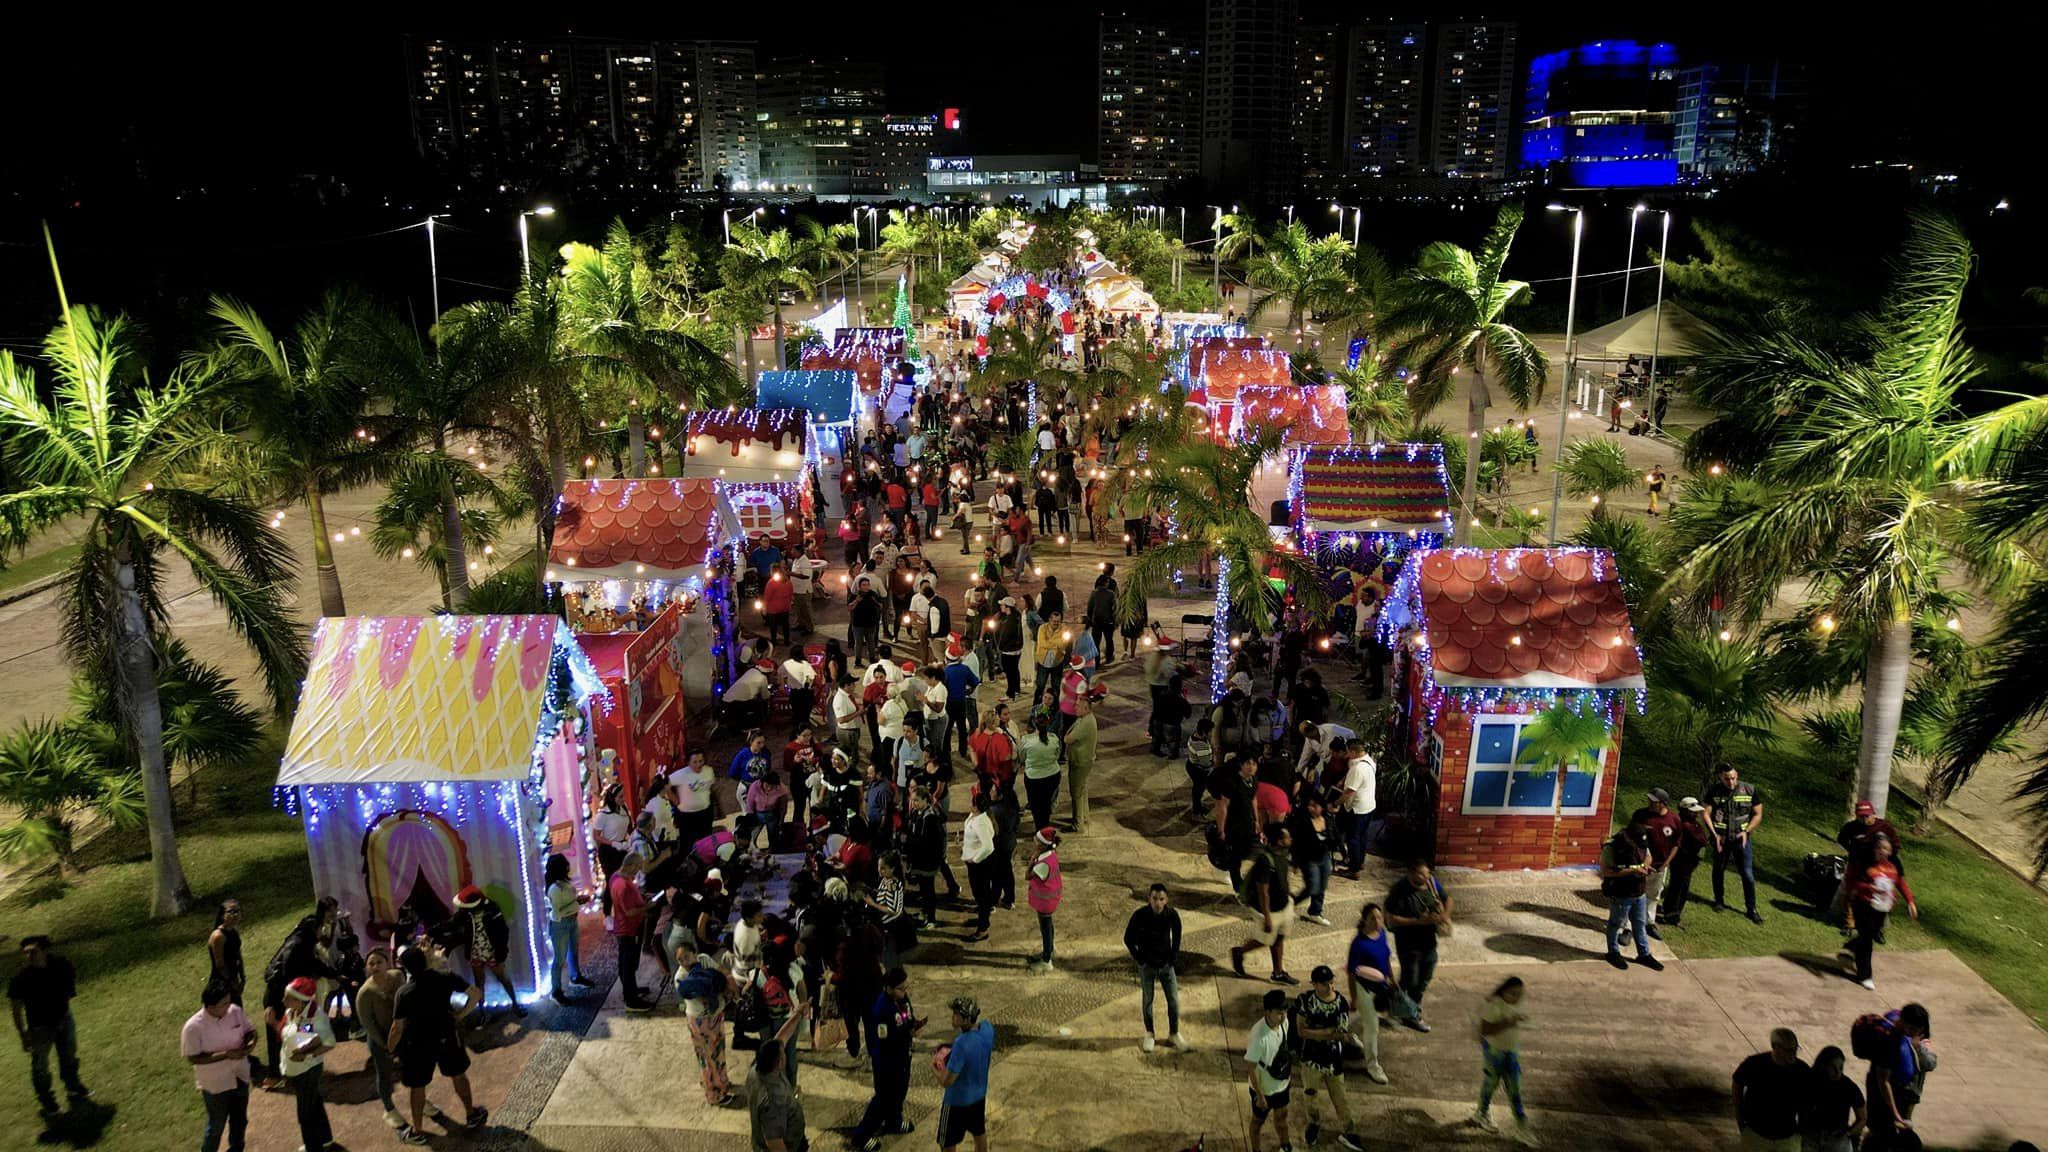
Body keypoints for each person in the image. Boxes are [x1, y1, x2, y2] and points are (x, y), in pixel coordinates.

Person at [390, 946, 485, 1144]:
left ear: (405, 968)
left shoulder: (404, 992)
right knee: (458, 1075)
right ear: (425, 961)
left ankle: (417, 1131)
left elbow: (397, 1027)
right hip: (447, 1035)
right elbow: (475, 994)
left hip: (417, 1043)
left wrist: (389, 1049)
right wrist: (460, 1014)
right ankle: (471, 1113)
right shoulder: (446, 977)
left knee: (418, 1086)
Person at [9, 934, 91, 1116]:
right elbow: (16, 1009)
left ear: (44, 950)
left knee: (69, 1055)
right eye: (26, 953)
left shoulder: (60, 965)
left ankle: (73, 1087)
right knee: (40, 1067)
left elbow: (70, 985)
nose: (29, 956)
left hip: (63, 1018)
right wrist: (23, 1035)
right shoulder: (21, 978)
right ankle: (47, 1101)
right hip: (39, 1028)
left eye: (33, 951)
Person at [1294, 965, 1367, 1151]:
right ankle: (1314, 1123)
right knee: (1310, 1096)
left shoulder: (1340, 1002)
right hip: (1310, 1059)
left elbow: (1340, 1033)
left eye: (1330, 982)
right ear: (1315, 984)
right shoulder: (1305, 1001)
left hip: (1333, 1060)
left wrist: (1317, 1033)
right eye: (1325, 983)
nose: (1330, 986)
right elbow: (1301, 1032)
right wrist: (1327, 1032)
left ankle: (1348, 1131)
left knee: (1340, 1097)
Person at [852, 967, 923, 1151]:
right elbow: (885, 1040)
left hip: (902, 1057)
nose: (904, 991)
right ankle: (862, 1135)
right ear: (889, 988)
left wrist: (911, 1024)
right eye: (900, 988)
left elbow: (907, 1015)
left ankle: (894, 1121)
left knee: (900, 1091)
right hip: (887, 1061)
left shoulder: (902, 999)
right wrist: (905, 1031)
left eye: (905, 987)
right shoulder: (882, 1009)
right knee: (883, 1098)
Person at [182, 980, 256, 1152]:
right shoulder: (193, 1027)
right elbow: (193, 1058)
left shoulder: (234, 1011)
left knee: (240, 1121)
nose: (229, 1006)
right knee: (216, 1128)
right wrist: (226, 1055)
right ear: (210, 1006)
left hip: (240, 1076)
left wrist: (250, 1042)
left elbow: (250, 1031)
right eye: (224, 1003)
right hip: (216, 1085)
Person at [1384, 859, 1452, 1031]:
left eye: (1427, 873)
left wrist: (1444, 915)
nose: (1426, 876)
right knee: (1410, 979)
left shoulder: (1430, 882)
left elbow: (1448, 899)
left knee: (1425, 977)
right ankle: (1409, 1013)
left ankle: (1406, 1008)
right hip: (1408, 944)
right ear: (1411, 873)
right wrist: (1419, 921)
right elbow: (1392, 919)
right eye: (1422, 873)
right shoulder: (1400, 891)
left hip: (1429, 942)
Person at [437, 884, 524, 1016]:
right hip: (475, 953)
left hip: (493, 953)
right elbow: (451, 924)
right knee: (479, 983)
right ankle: (483, 1013)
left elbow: (503, 932)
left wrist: (501, 953)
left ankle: (515, 1005)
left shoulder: (492, 909)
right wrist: (431, 931)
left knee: (503, 979)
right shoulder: (465, 912)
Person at [1473, 977, 1540, 1146]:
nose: (1517, 997)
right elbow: (1485, 1030)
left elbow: (1512, 1020)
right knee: (1491, 1083)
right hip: (1495, 1054)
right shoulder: (1494, 1005)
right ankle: (1482, 1112)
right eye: (1513, 993)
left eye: (1520, 994)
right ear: (1503, 991)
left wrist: (1519, 1019)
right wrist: (1510, 1022)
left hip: (1511, 1053)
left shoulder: (1512, 1004)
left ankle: (1522, 1128)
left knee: (1514, 1090)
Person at [1844, 837, 1916, 990]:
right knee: (1866, 939)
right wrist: (1869, 888)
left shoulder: (1893, 868)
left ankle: (1855, 945)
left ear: (1890, 852)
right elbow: (1854, 882)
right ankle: (1865, 976)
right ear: (1874, 849)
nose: (1883, 851)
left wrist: (1910, 901)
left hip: (1882, 907)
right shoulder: (1866, 865)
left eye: (1886, 849)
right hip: (1863, 905)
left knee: (1872, 934)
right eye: (1880, 848)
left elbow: (1900, 884)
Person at [1229, 825, 1297, 985]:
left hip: (1284, 905)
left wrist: (1287, 891)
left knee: (1279, 938)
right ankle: (1239, 952)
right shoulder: (1265, 861)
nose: (1290, 839)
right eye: (1287, 837)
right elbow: (1262, 891)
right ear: (1279, 841)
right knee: (1264, 939)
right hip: (1268, 910)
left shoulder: (1283, 853)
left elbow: (1282, 875)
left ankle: (1278, 973)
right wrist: (1267, 917)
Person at [1123, 883, 1187, 1052]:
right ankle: (1150, 1033)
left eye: (1161, 899)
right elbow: (1128, 938)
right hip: (1147, 967)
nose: (1158, 903)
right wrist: (1140, 959)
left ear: (1166, 900)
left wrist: (1173, 956)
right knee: (1147, 1001)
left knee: (1173, 1001)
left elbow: (1178, 933)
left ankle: (1174, 1033)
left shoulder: (1171, 915)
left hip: (1166, 966)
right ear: (1148, 898)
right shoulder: (1139, 915)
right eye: (1154, 898)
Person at [1862, 1003, 1933, 1152]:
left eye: (1918, 1030)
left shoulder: (1919, 1040)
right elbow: (1883, 1081)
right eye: (1912, 1029)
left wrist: (1918, 1047)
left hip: (1906, 1094)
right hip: (1886, 1093)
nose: (1914, 1033)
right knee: (1879, 1130)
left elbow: (1930, 1063)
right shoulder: (1891, 1039)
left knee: (1895, 1129)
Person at [1598, 811, 1664, 971]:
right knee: (1616, 923)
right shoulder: (1613, 846)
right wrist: (1632, 871)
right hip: (1621, 894)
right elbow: (1606, 872)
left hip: (1639, 892)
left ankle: (1644, 954)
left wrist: (1645, 866)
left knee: (1639, 924)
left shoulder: (1641, 838)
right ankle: (1613, 952)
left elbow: (1648, 856)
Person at [676, 940, 738, 1106]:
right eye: (680, 960)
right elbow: (702, 999)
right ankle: (715, 1094)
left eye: (686, 957)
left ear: (694, 954)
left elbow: (720, 972)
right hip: (701, 1021)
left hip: (715, 1017)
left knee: (718, 1052)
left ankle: (721, 1081)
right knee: (708, 1056)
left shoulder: (703, 959)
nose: (684, 962)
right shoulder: (681, 978)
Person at [276, 977, 336, 1150]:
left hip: (307, 1070)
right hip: (297, 1069)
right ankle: (325, 1139)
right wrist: (273, 1023)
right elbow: (295, 1038)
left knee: (305, 1113)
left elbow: (329, 1042)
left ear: (298, 1000)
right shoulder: (292, 1012)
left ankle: (312, 1147)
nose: (282, 1000)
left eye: (287, 997)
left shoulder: (316, 1018)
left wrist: (307, 1056)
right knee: (314, 1104)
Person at [1705, 762, 1766, 923]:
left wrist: (1747, 831)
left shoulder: (1749, 790)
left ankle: (1751, 909)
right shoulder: (1714, 790)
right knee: (1718, 869)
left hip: (1741, 839)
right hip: (1721, 838)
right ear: (1720, 777)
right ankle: (1719, 901)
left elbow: (1758, 814)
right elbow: (1706, 813)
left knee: (1747, 874)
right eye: (1726, 779)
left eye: (1733, 778)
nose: (1730, 782)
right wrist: (1713, 834)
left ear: (1737, 775)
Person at [1734, 1027, 1809, 1152]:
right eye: (1788, 1050)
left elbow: (1809, 1099)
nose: (1793, 1054)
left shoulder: (1802, 1070)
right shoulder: (1754, 1064)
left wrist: (1802, 1129)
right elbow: (1737, 1084)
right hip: (1755, 1134)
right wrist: (1739, 1114)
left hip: (1788, 1136)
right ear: (1775, 1047)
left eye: (1795, 1050)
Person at [1832, 801, 1905, 927]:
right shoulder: (1851, 827)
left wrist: (1888, 861)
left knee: (1881, 892)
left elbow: (1895, 845)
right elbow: (1841, 839)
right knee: (1852, 890)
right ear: (1856, 815)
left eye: (1867, 816)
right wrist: (1853, 850)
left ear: (1873, 814)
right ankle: (1849, 920)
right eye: (1861, 816)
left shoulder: (1885, 826)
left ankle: (1877, 924)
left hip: (1879, 866)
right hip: (1858, 863)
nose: (1865, 819)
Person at [355, 947, 406, 1129]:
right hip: (380, 1041)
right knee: (384, 1075)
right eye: (371, 963)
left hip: (401, 1033)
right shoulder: (365, 993)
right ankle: (389, 1108)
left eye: (379, 962)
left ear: (387, 963)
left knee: (410, 1068)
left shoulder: (398, 976)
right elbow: (368, 1024)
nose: (375, 966)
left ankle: (419, 1098)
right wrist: (386, 1045)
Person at [937, 996, 995, 1152]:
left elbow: (946, 1081)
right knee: (979, 1133)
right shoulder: (988, 1029)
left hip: (956, 1102)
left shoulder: (961, 1044)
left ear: (966, 1019)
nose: (952, 1016)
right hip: (979, 1097)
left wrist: (934, 1066)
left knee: (947, 1143)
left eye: (956, 1014)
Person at [748, 1008, 811, 1152]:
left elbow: (781, 1037)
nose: (785, 1052)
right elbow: (775, 1143)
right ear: (780, 1063)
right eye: (783, 1054)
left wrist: (798, 1014)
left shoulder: (757, 1068)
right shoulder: (773, 1102)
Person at [1344, 905, 1394, 1085]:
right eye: (1373, 918)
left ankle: (1344, 1030)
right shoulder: (1358, 944)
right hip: (1364, 989)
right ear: (1364, 920)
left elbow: (1386, 957)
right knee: (1372, 1026)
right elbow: (1351, 973)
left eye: (1379, 918)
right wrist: (1354, 998)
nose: (1377, 921)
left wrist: (1392, 979)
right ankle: (1373, 1065)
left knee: (1366, 1018)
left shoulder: (1381, 935)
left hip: (1380, 987)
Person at [1245, 989, 1294, 1152]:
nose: (1284, 1016)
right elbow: (1251, 1068)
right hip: (1263, 1090)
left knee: (1282, 1117)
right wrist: (1259, 1096)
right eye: (1279, 1013)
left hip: (1281, 1084)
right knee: (1257, 1122)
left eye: (1285, 1011)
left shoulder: (1284, 1023)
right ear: (1268, 1012)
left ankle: (1285, 1145)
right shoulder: (1258, 1037)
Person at [608, 854, 655, 1012]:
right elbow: (629, 912)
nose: (638, 871)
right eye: (638, 867)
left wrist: (641, 898)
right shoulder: (623, 885)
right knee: (628, 965)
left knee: (626, 963)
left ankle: (632, 989)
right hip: (629, 930)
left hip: (625, 928)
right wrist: (647, 907)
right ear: (631, 865)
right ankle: (631, 1000)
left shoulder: (616, 877)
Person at [1633, 789, 1682, 936]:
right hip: (1640, 864)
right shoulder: (1641, 815)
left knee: (1653, 895)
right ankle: (1628, 926)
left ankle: (1649, 922)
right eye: (1650, 801)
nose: (1650, 804)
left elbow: (1676, 843)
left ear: (1663, 803)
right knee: (1634, 894)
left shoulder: (1674, 820)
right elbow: (1631, 837)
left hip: (1660, 866)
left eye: (1654, 802)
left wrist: (1666, 863)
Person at [1662, 796, 1715, 927]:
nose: (1696, 813)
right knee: (1679, 888)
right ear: (1685, 810)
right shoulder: (1685, 824)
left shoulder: (1692, 823)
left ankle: (1669, 910)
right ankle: (1672, 916)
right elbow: (1701, 840)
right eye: (1693, 811)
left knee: (1678, 886)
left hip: (1689, 862)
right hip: (1682, 861)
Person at [1807, 1045, 1867, 1152]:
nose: (1838, 1072)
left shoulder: (1849, 1087)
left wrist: (1848, 1134)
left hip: (1837, 1140)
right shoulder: (1811, 1082)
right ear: (1824, 1065)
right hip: (1812, 1138)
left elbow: (1863, 1118)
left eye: (1841, 1068)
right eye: (1833, 1067)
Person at [1290, 794, 1339, 926]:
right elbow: (1297, 843)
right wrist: (1295, 862)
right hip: (1309, 859)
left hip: (1324, 858)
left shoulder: (1327, 819)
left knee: (1321, 886)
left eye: (1314, 805)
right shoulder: (1304, 822)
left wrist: (1344, 854)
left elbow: (1335, 837)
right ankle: (1290, 903)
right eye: (1309, 805)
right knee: (1312, 887)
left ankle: (1315, 912)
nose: (1311, 808)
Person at [1334, 743, 1378, 875]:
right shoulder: (1369, 761)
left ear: (1353, 752)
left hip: (1357, 808)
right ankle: (1359, 862)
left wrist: (1336, 802)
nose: (1346, 754)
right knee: (1362, 835)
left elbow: (1349, 792)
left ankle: (1353, 869)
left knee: (1352, 838)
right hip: (1369, 806)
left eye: (1348, 752)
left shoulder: (1358, 768)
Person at [1063, 682, 1101, 833]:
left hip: (1081, 762)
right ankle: (1084, 816)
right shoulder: (1084, 718)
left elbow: (1068, 739)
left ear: (1086, 708)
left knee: (1076, 792)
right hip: (1083, 760)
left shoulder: (1086, 722)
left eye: (1078, 706)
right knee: (1082, 789)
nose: (1075, 708)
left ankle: (1077, 824)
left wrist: (1066, 736)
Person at [962, 789, 999, 943]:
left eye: (972, 803)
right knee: (979, 895)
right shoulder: (977, 816)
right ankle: (982, 919)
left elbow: (989, 847)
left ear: (976, 807)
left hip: (980, 866)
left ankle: (982, 929)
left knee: (981, 897)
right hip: (975, 863)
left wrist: (975, 859)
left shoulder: (981, 822)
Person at [1025, 827, 1064, 973]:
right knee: (1049, 927)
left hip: (1045, 902)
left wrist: (1032, 859)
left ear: (1041, 845)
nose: (1033, 841)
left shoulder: (1042, 863)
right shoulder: (1050, 854)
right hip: (1051, 898)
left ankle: (1046, 960)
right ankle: (1050, 950)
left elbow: (1027, 875)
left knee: (1045, 929)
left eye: (1036, 839)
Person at [1018, 709, 1063, 832]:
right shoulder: (1054, 739)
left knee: (1036, 805)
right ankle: (1045, 826)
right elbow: (1058, 755)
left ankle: (1040, 830)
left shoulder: (1026, 740)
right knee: (1046, 803)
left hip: (1034, 778)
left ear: (1034, 724)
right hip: (1052, 775)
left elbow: (1021, 757)